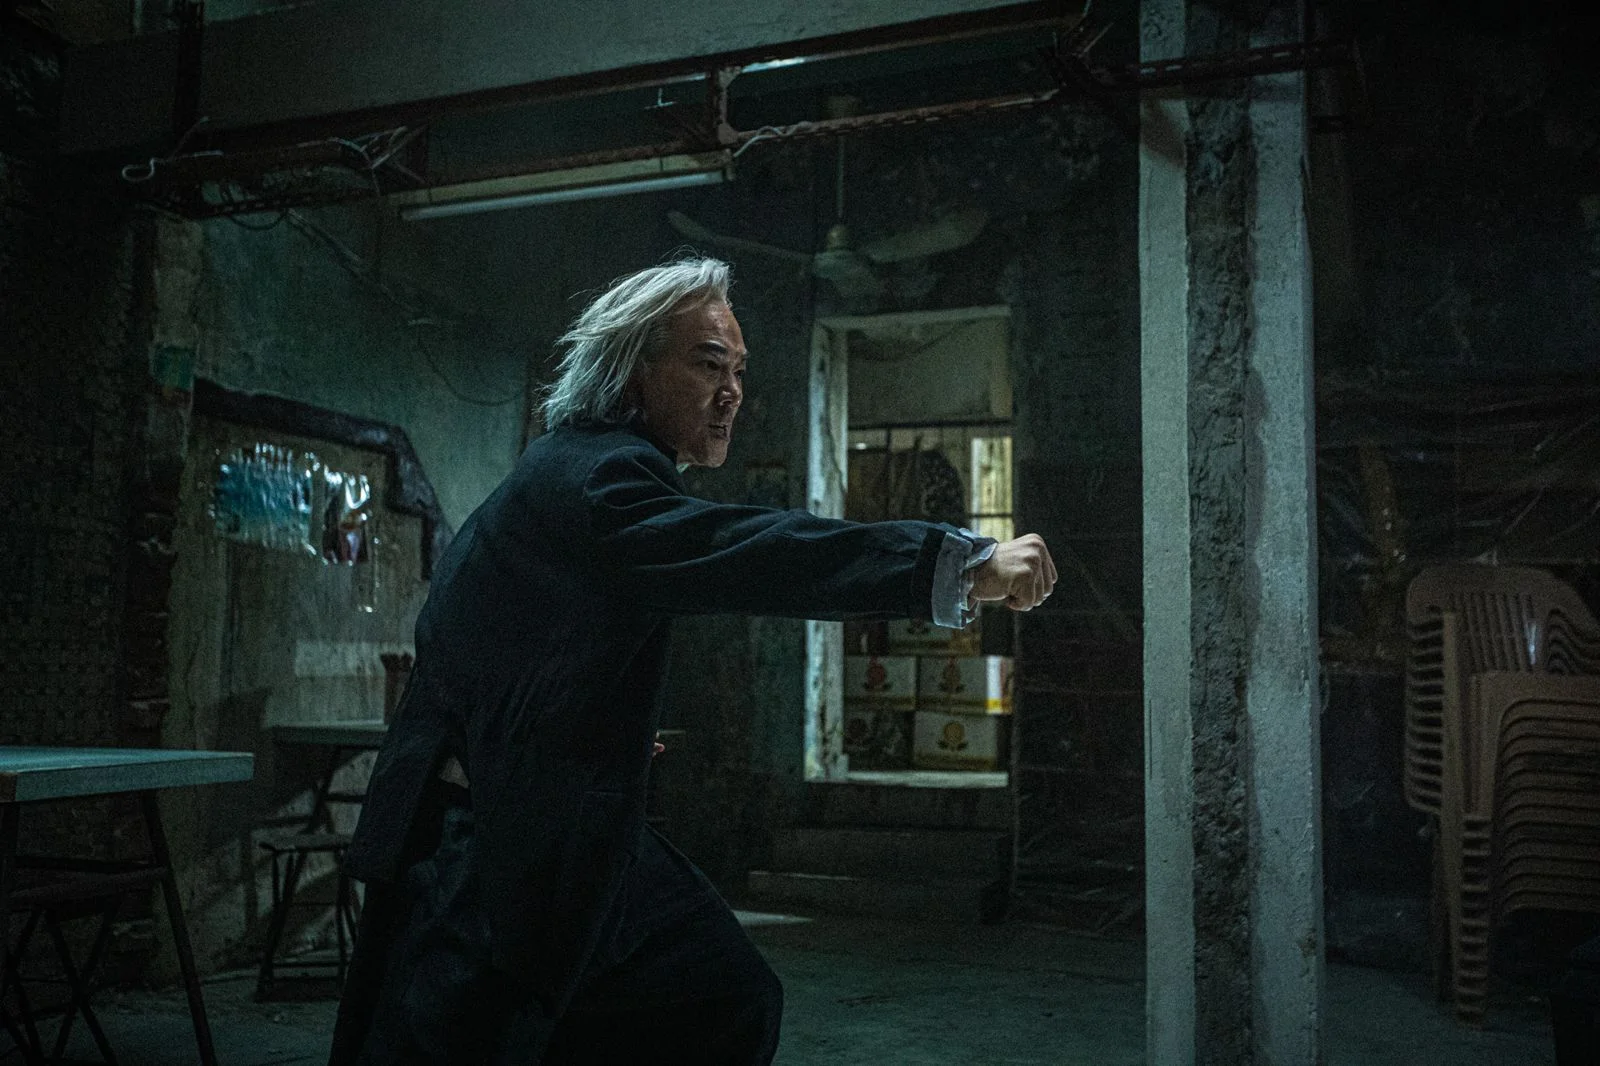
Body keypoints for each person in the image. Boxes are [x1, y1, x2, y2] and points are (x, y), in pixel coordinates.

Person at [328, 257, 1056, 1065]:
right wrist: (961, 564)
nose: (733, 392)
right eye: (709, 365)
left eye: (739, 371)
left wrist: (575, 727)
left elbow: (486, 633)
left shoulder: (572, 468)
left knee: (716, 996)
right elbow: (754, 553)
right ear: (632, 372)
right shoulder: (602, 479)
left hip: (546, 818)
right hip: (488, 841)